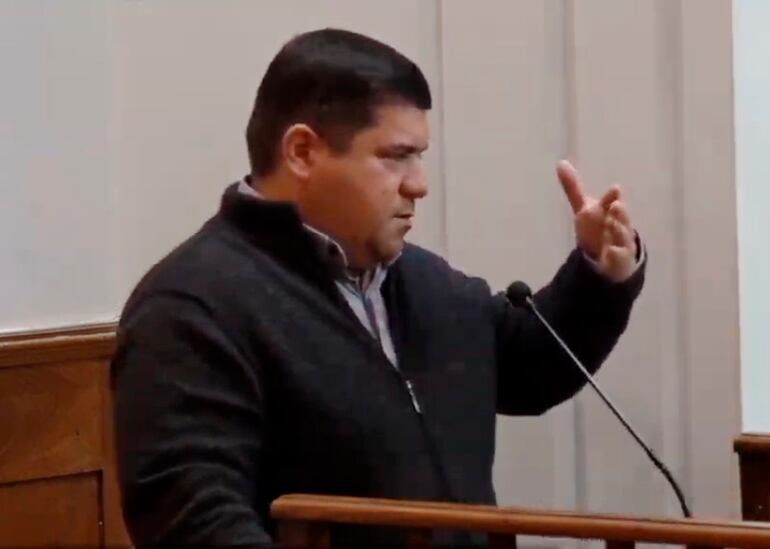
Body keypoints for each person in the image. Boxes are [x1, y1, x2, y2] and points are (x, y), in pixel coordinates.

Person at [112, 28, 645, 547]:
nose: (420, 184)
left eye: (420, 157)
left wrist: (600, 274)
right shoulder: (191, 307)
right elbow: (196, 519)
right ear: (302, 152)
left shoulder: (422, 280)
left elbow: (531, 366)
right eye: (395, 156)